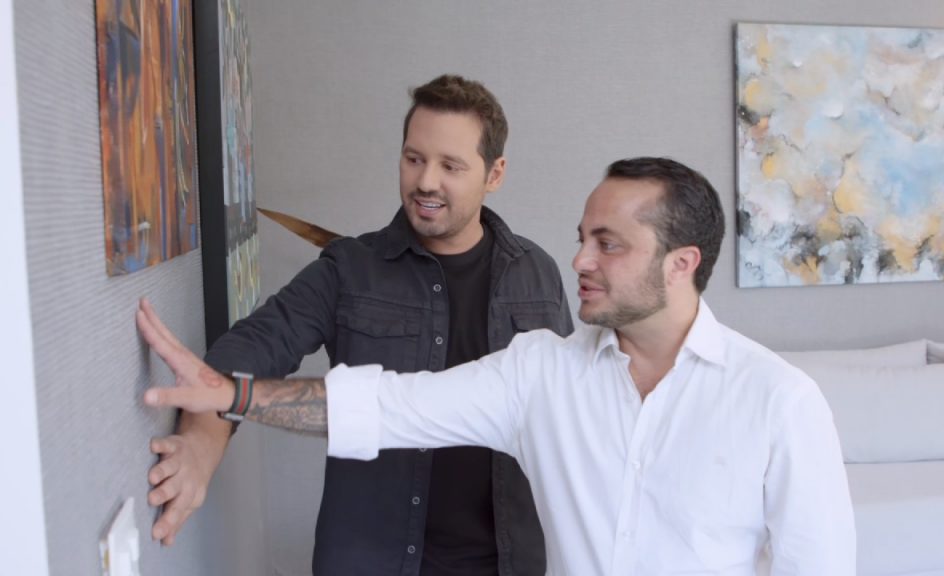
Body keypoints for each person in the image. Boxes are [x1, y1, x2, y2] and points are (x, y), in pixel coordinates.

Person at [141, 157, 857, 575]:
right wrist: (231, 394)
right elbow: (388, 407)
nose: (578, 260)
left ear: (681, 264)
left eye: (608, 244)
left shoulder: (779, 401)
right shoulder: (540, 374)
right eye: (582, 238)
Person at [146, 74, 573, 575]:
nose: (426, 181)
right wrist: (202, 443)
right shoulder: (349, 268)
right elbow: (250, 348)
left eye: (450, 165)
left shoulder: (537, 275)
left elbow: (568, 407)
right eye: (414, 159)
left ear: (494, 173)